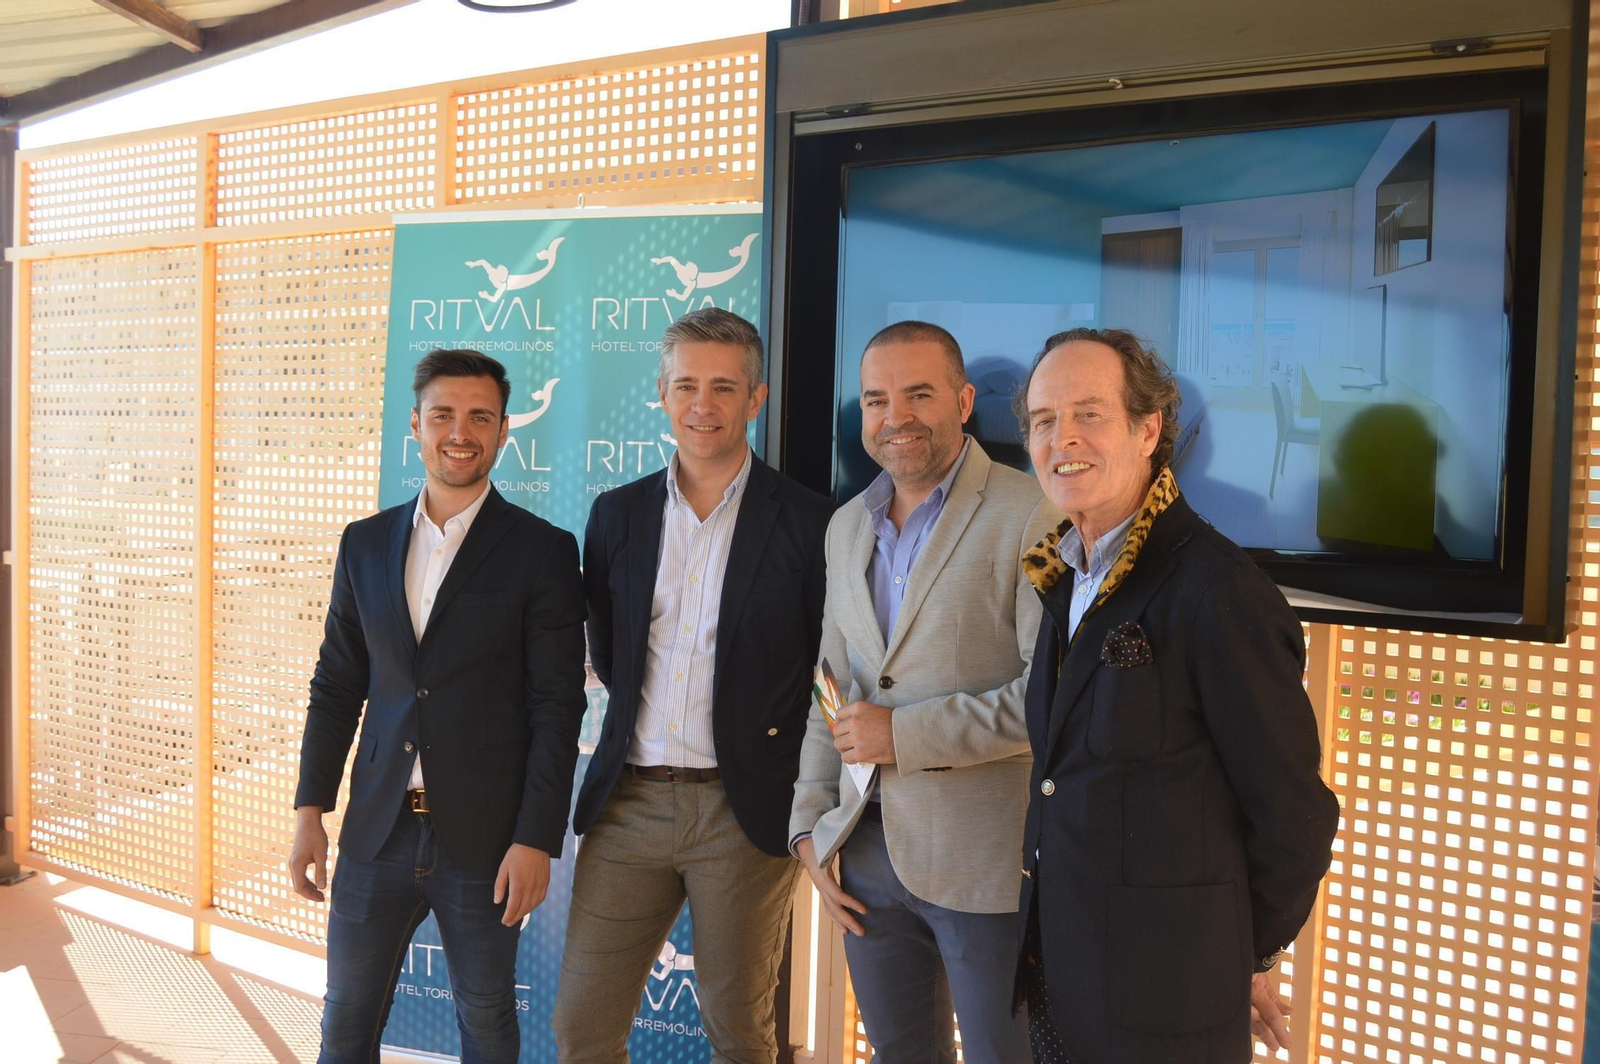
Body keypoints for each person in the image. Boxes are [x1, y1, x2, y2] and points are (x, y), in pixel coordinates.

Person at [1010, 328, 1339, 1064]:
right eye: (1042, 419)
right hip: (1061, 980)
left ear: (1148, 428)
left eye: (1089, 413)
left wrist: (1238, 955)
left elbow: (1294, 816)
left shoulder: (1219, 591)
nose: (1062, 437)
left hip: (1166, 1009)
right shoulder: (1064, 574)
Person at [288, 349, 588, 1064]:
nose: (461, 431)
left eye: (479, 417)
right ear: (416, 426)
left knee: (486, 1025)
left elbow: (558, 706)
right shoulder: (363, 543)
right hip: (375, 833)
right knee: (346, 1023)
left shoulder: (543, 551)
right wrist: (309, 814)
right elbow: (336, 685)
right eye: (444, 415)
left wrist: (536, 839)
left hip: (486, 845)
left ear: (504, 430)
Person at [551, 308, 834, 1063]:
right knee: (582, 1026)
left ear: (756, 397)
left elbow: (825, 667)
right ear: (662, 393)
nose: (702, 405)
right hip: (629, 805)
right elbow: (610, 654)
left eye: (722, 387)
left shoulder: (811, 522)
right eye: (686, 386)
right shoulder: (617, 514)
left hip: (744, 813)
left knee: (739, 1032)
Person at [790, 321, 1058, 1064]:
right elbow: (828, 687)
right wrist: (808, 825)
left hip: (986, 866)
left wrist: (901, 735)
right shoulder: (846, 527)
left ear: (965, 401)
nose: (895, 417)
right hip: (865, 859)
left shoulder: (1032, 511)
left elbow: (1051, 699)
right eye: (877, 399)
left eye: (918, 394)